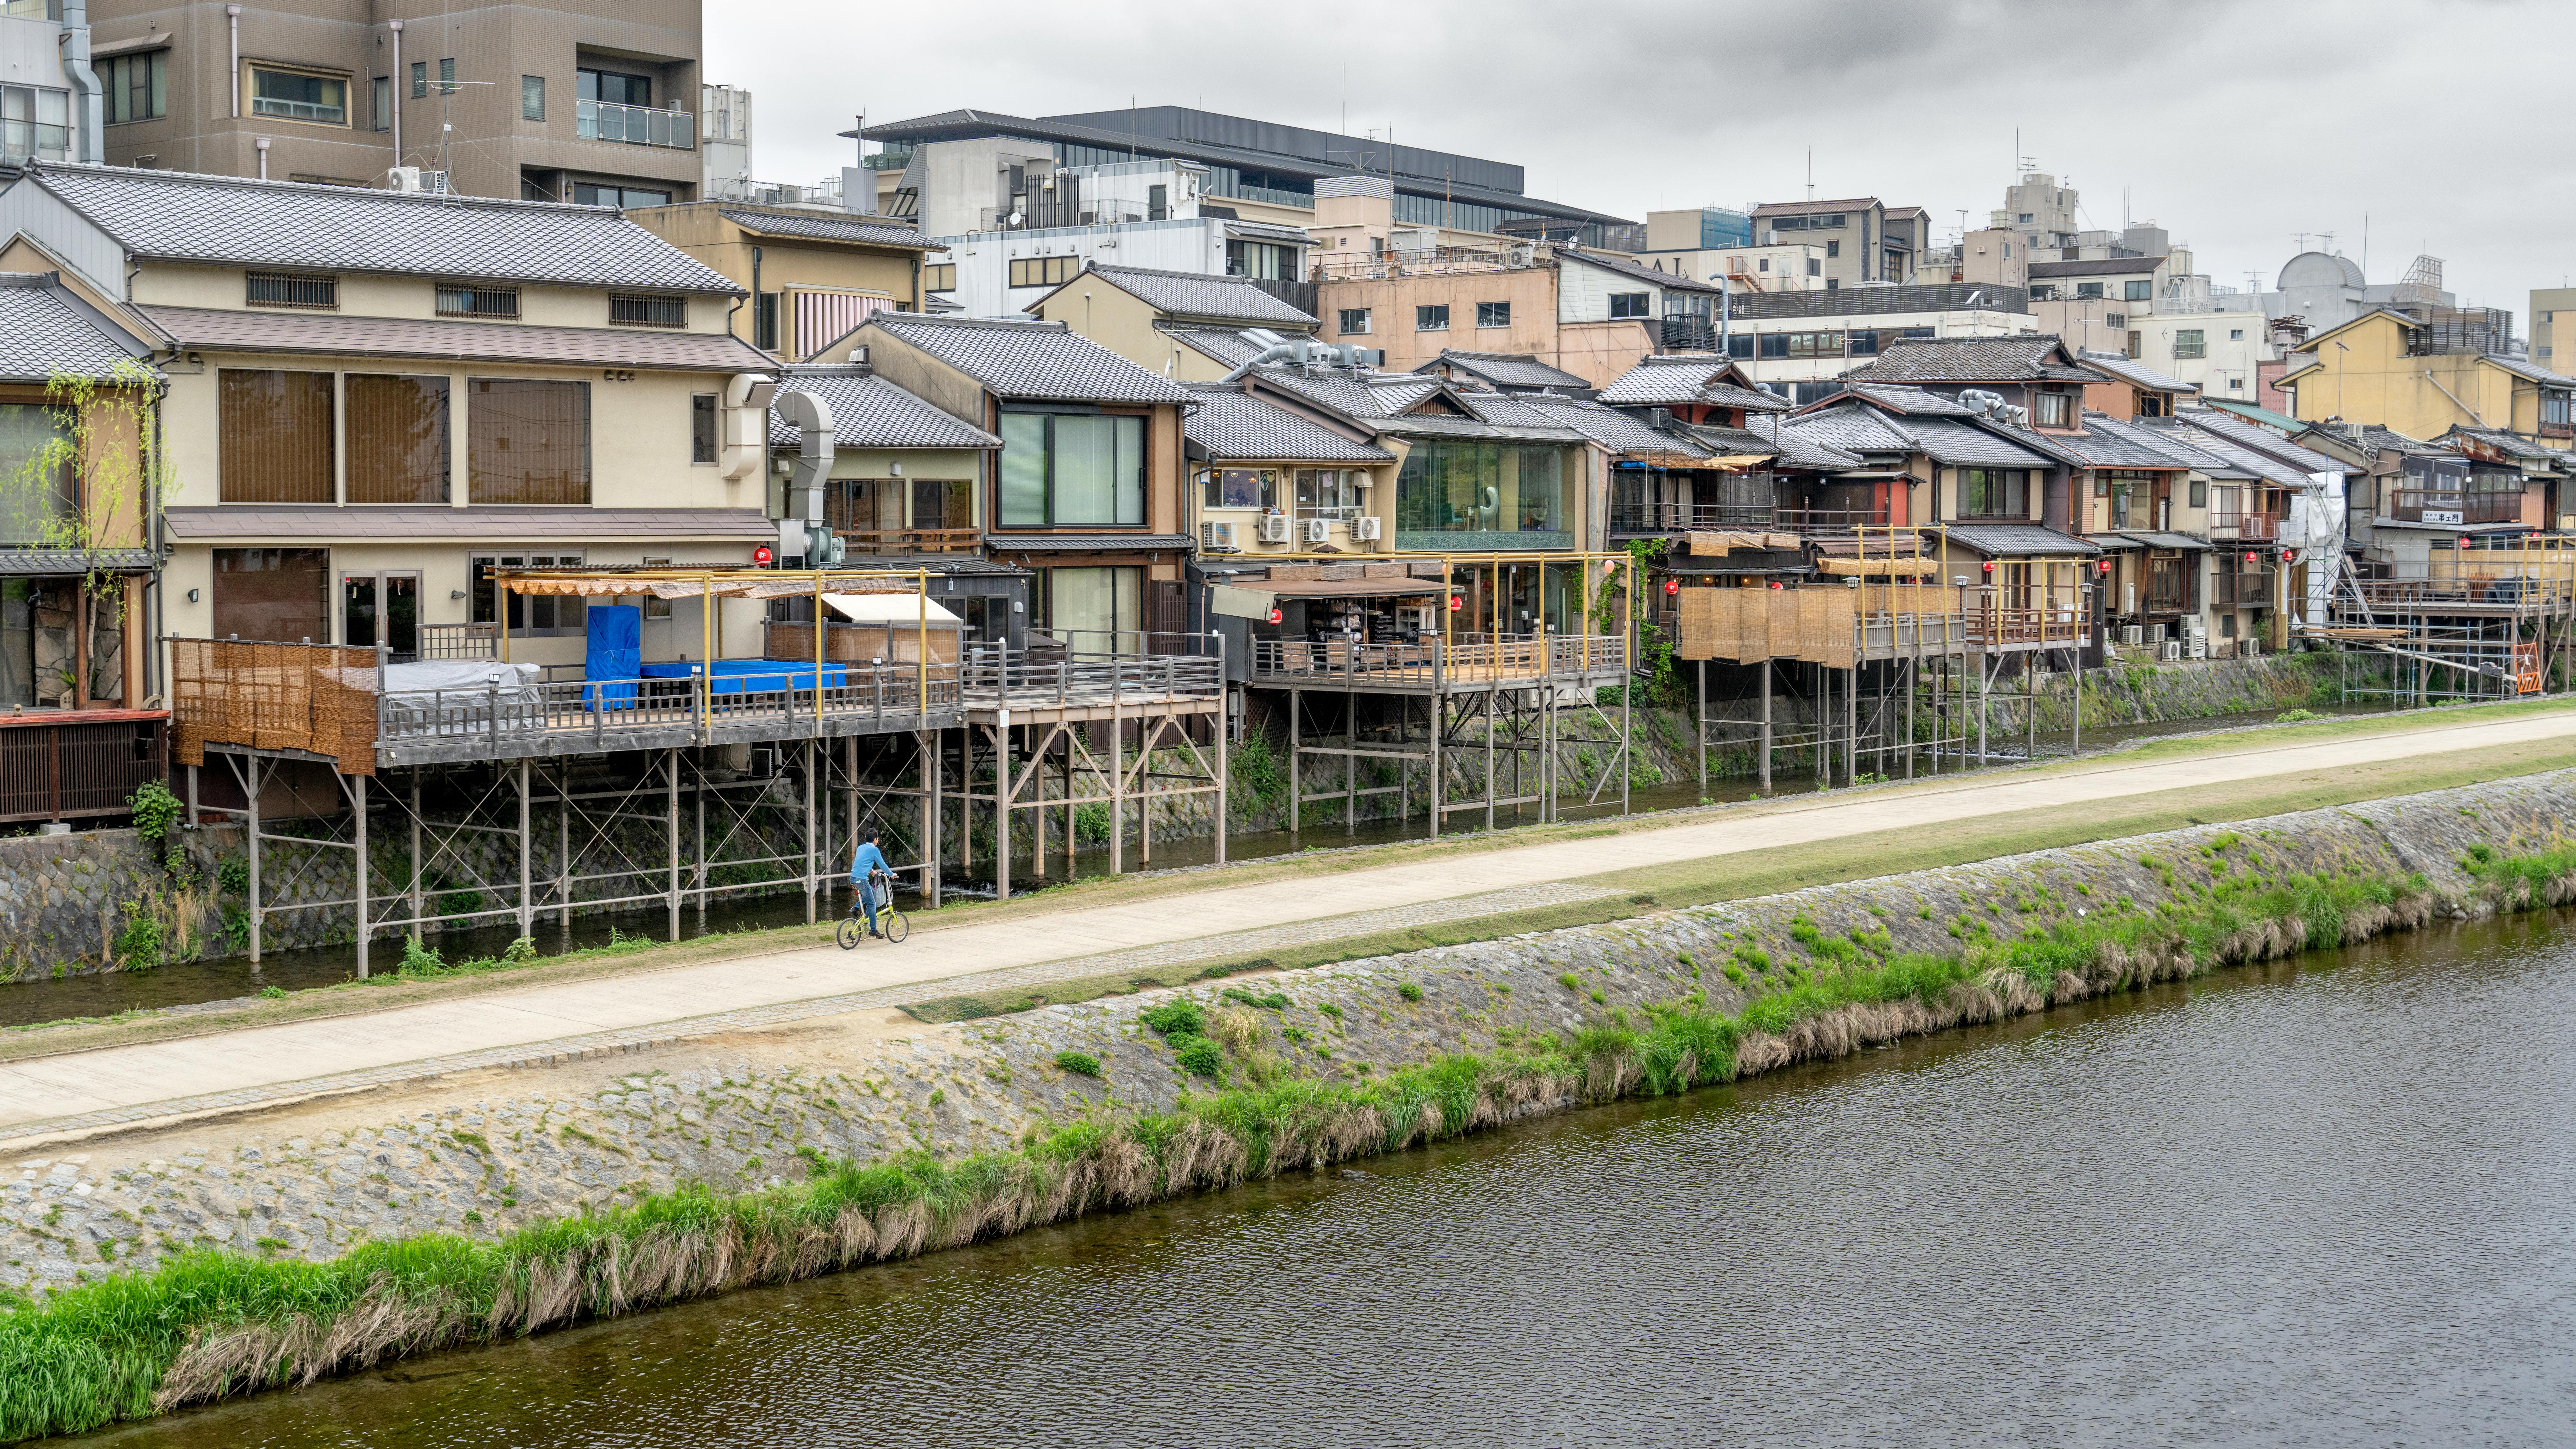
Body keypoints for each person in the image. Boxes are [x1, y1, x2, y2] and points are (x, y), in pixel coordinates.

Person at [848, 827, 892, 937]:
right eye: (878, 839)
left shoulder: (861, 848)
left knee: (872, 893)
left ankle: (856, 909)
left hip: (853, 878)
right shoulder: (874, 850)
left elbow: (861, 863)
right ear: (876, 840)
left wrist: (871, 871)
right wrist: (892, 875)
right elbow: (883, 865)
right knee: (872, 903)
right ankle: (873, 930)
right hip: (862, 880)